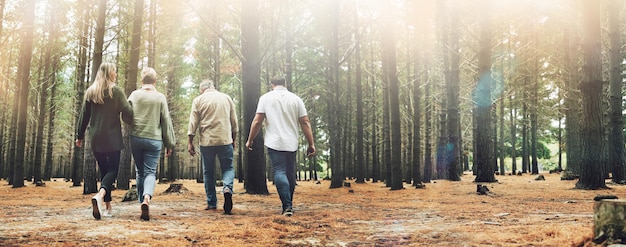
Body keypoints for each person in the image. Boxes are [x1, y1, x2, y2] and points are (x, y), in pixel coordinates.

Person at [245, 76, 315, 217]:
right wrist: (311, 143)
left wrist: (250, 139)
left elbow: (258, 120)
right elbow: (305, 121)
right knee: (290, 172)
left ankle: (287, 205)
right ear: (285, 84)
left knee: (279, 171)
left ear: (272, 85)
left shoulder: (265, 98)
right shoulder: (296, 99)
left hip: (274, 141)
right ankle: (289, 204)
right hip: (291, 141)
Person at [75, 62, 133, 220]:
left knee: (104, 170)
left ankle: (107, 206)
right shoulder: (116, 91)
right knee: (113, 171)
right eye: (114, 71)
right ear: (109, 73)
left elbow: (83, 117)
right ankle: (100, 197)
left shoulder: (91, 92)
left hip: (96, 138)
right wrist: (132, 106)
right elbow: (128, 112)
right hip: (112, 137)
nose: (115, 74)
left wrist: (79, 136)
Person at [127, 67, 176, 221]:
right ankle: (147, 199)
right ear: (155, 81)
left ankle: (141, 201)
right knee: (150, 172)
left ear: (142, 81)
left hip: (136, 137)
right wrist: (170, 143)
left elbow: (126, 114)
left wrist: (132, 124)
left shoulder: (134, 95)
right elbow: (166, 120)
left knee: (140, 171)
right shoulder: (160, 97)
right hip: (154, 139)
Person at [187, 79, 238, 214]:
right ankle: (227, 188)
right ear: (213, 87)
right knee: (228, 168)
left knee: (208, 172)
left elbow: (193, 122)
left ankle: (211, 203)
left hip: (207, 141)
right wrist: (234, 138)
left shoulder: (198, 100)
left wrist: (190, 141)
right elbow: (234, 121)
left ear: (202, 89)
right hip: (225, 139)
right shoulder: (226, 98)